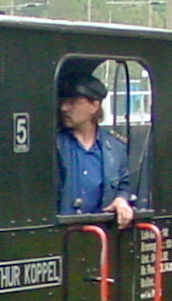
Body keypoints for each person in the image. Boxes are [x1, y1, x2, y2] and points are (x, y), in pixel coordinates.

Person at [55, 73, 134, 225]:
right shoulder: (54, 143)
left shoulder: (116, 147)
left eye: (72, 102)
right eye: (63, 101)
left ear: (94, 106)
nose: (64, 108)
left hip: (100, 232)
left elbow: (123, 184)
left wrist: (120, 201)